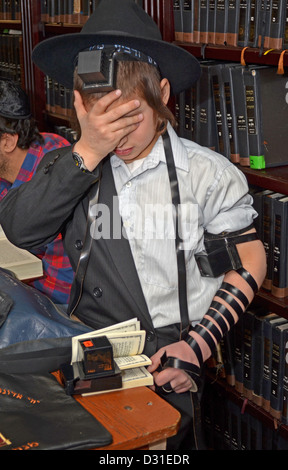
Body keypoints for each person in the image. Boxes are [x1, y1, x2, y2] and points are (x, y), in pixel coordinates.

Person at [0, 0, 266, 449]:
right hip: (92, 346)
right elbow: (23, 230)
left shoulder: (208, 174)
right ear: (82, 106)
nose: (118, 137)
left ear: (162, 94)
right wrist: (86, 151)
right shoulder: (71, 164)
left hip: (173, 352)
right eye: (105, 120)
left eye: (132, 118)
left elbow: (248, 260)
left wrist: (197, 345)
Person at [0, 79, 74, 305]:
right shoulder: (10, 164)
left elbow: (63, 281)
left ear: (8, 141)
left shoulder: (57, 171)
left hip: (58, 308)